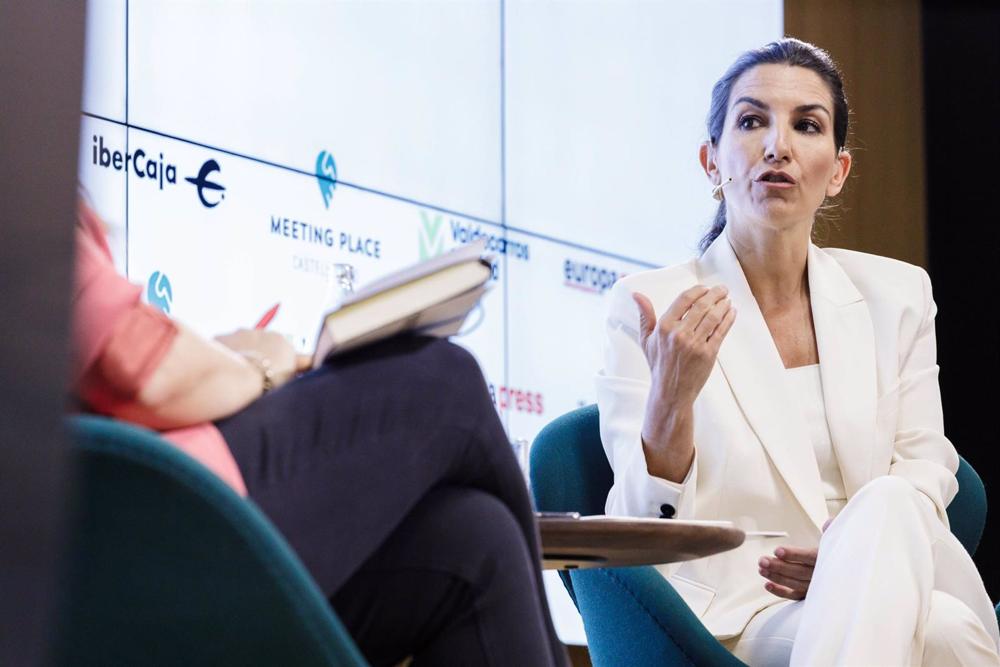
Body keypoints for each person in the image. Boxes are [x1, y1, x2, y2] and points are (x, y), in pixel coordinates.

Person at [597, 38, 1000, 666]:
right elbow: (637, 527)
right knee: (948, 636)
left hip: (897, 578)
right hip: (739, 607)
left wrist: (854, 561)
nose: (776, 145)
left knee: (904, 527)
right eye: (752, 120)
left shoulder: (898, 295)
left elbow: (927, 465)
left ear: (837, 171)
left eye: (806, 125)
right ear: (712, 162)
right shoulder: (649, 306)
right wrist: (670, 400)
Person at [72, 199, 567, 667]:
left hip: (115, 531)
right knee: (444, 379)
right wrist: (262, 363)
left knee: (475, 540)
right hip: (129, 537)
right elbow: (141, 369)